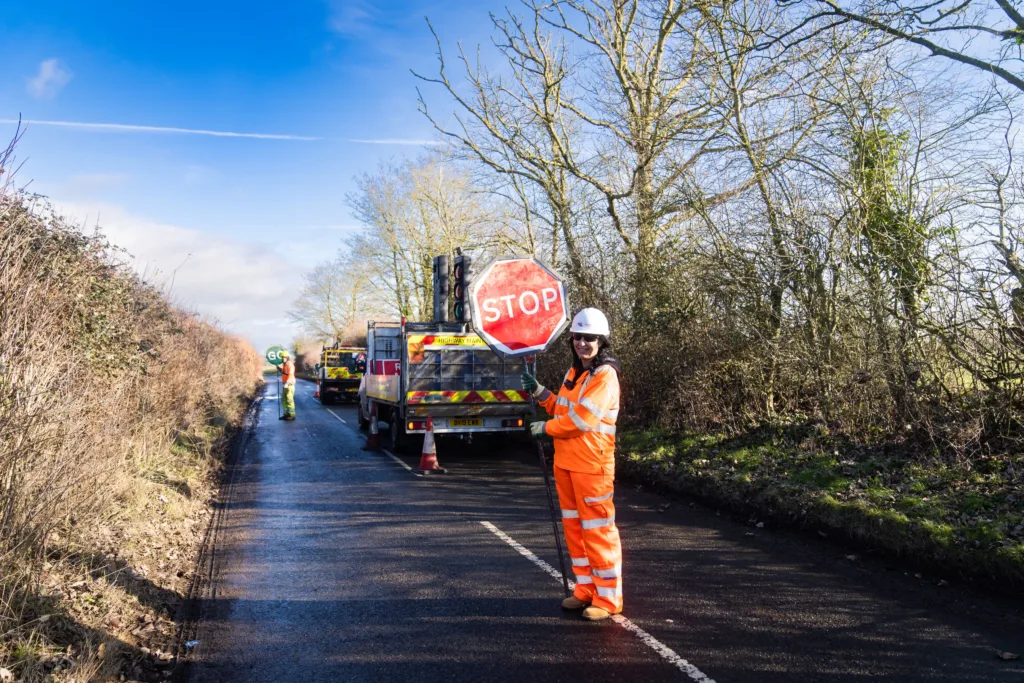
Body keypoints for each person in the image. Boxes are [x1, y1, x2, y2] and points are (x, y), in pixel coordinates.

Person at [521, 308, 622, 621]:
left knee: (598, 533)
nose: (582, 343)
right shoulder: (574, 372)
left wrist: (545, 428)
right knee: (575, 532)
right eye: (577, 337)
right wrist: (540, 393)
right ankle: (585, 590)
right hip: (566, 464)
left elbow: (582, 421)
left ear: (601, 341)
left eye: (589, 338)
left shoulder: (605, 376)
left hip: (592, 467)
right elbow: (562, 408)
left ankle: (608, 599)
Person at [279, 350, 296, 421]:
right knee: (284, 399)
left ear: (287, 358)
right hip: (285, 385)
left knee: (289, 400)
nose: (283, 359)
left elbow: (290, 374)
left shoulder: (289, 365)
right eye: (282, 357)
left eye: (284, 357)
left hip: (289, 385)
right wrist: (278, 368)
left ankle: (291, 415)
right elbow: (284, 373)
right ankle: (286, 414)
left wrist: (287, 383)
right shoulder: (284, 365)